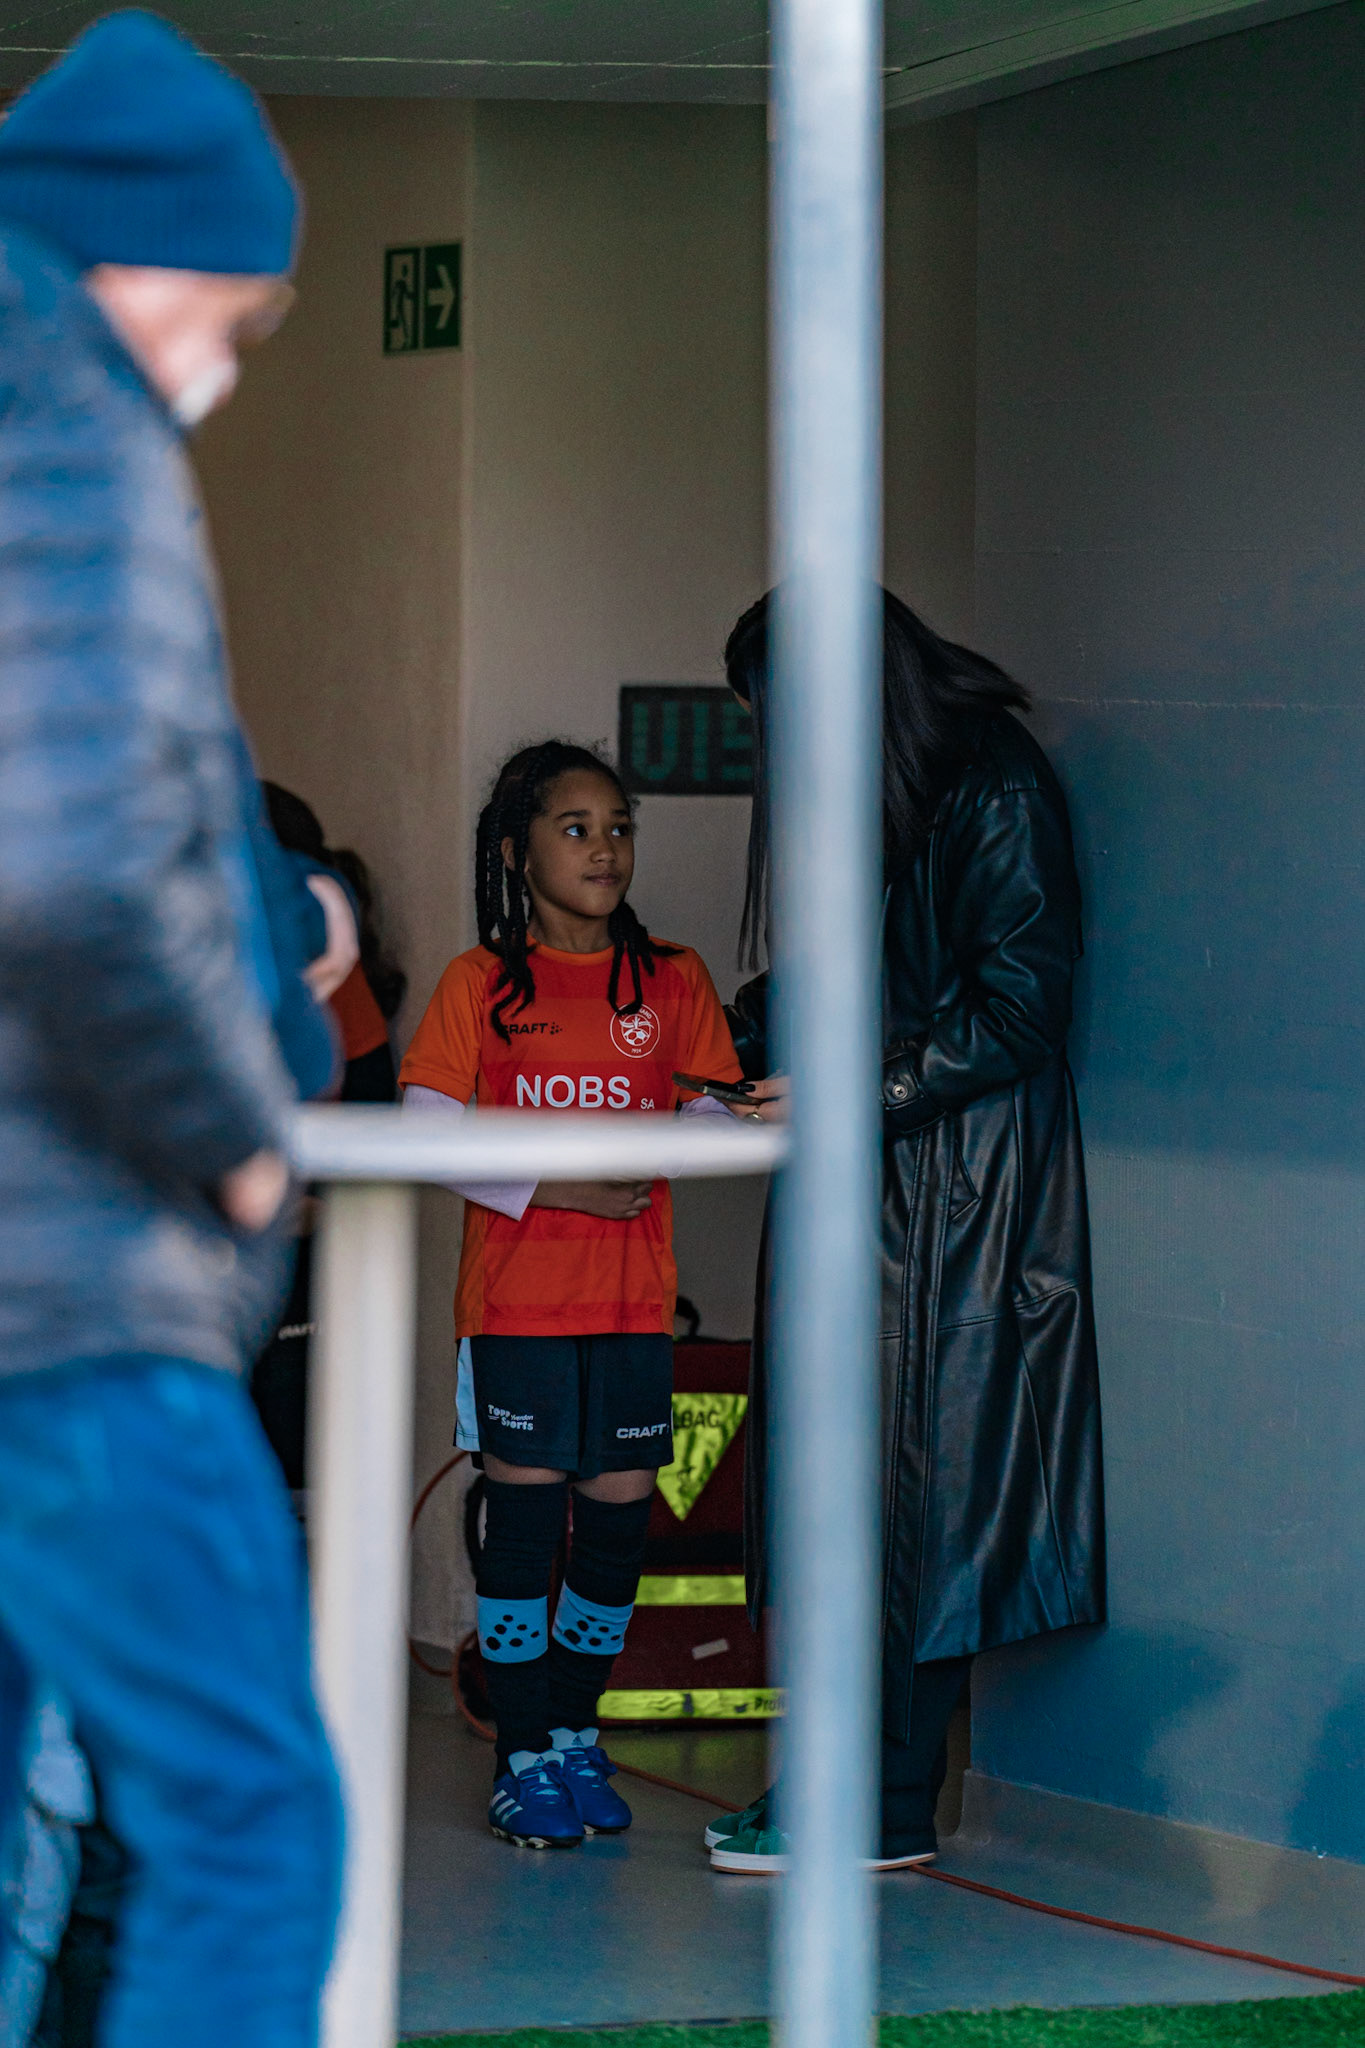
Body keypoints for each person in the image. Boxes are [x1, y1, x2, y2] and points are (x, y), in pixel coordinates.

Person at [0, 14, 350, 2043]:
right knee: (249, 1813)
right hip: (67, 1275)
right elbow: (56, 854)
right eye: (236, 312)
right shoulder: (56, 405)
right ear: (148, 251)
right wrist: (227, 1122)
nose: (223, 365)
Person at [706, 588, 1106, 1873]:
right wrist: (719, 1036)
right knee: (842, 1487)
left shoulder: (989, 782)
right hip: (880, 1170)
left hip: (949, 1191)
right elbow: (856, 976)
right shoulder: (901, 785)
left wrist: (848, 1089)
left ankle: (878, 1799)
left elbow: (1019, 1004)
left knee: (906, 1497)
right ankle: (845, 1785)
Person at [398, 740, 745, 1849]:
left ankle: (572, 1735)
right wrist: (563, 1184)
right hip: (518, 1308)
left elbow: (713, 1110)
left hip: (636, 1304)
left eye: (620, 826)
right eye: (576, 827)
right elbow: (423, 1134)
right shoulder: (480, 983)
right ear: (517, 850)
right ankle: (521, 1753)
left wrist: (707, 1130)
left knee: (614, 1532)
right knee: (524, 1529)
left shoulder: (674, 976)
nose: (605, 848)